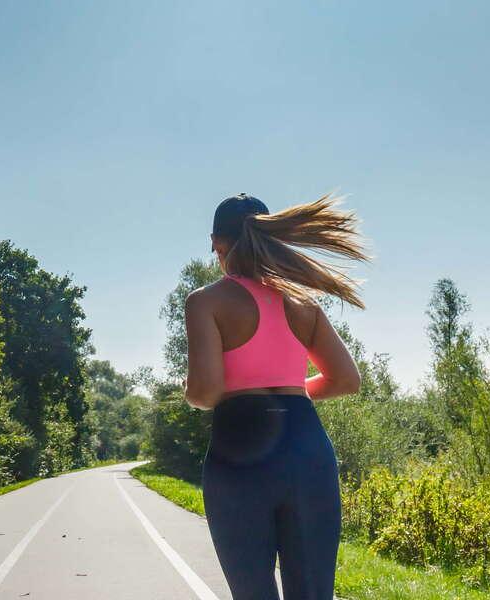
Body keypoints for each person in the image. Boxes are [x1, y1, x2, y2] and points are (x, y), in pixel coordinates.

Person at [183, 194, 367, 600]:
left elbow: (206, 392)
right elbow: (346, 380)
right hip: (306, 449)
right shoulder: (304, 303)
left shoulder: (205, 302)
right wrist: (293, 394)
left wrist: (191, 390)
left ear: (218, 243)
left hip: (240, 453)